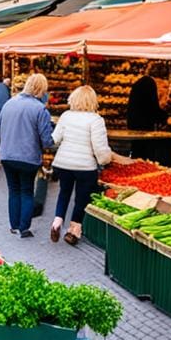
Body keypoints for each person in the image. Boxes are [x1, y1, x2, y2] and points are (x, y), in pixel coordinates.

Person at [0, 74, 54, 237]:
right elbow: (47, 140)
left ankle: (14, 225)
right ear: (41, 89)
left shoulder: (9, 103)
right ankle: (24, 228)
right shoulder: (40, 109)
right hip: (28, 156)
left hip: (7, 155)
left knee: (13, 190)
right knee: (27, 191)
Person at [51, 86, 112, 246]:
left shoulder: (66, 116)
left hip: (63, 163)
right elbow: (99, 147)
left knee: (64, 192)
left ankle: (57, 222)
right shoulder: (96, 120)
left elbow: (55, 139)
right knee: (81, 198)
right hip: (85, 167)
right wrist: (105, 160)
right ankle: (74, 230)